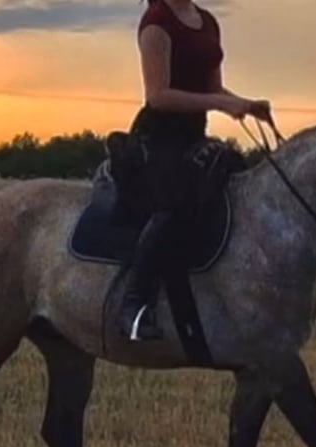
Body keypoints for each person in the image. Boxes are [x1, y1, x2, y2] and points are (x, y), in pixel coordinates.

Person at [115, 0, 273, 342]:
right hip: (158, 138)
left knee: (236, 182)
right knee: (174, 202)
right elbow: (158, 96)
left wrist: (244, 103)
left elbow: (213, 89)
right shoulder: (156, 21)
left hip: (192, 136)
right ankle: (134, 304)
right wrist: (221, 104)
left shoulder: (208, 22)